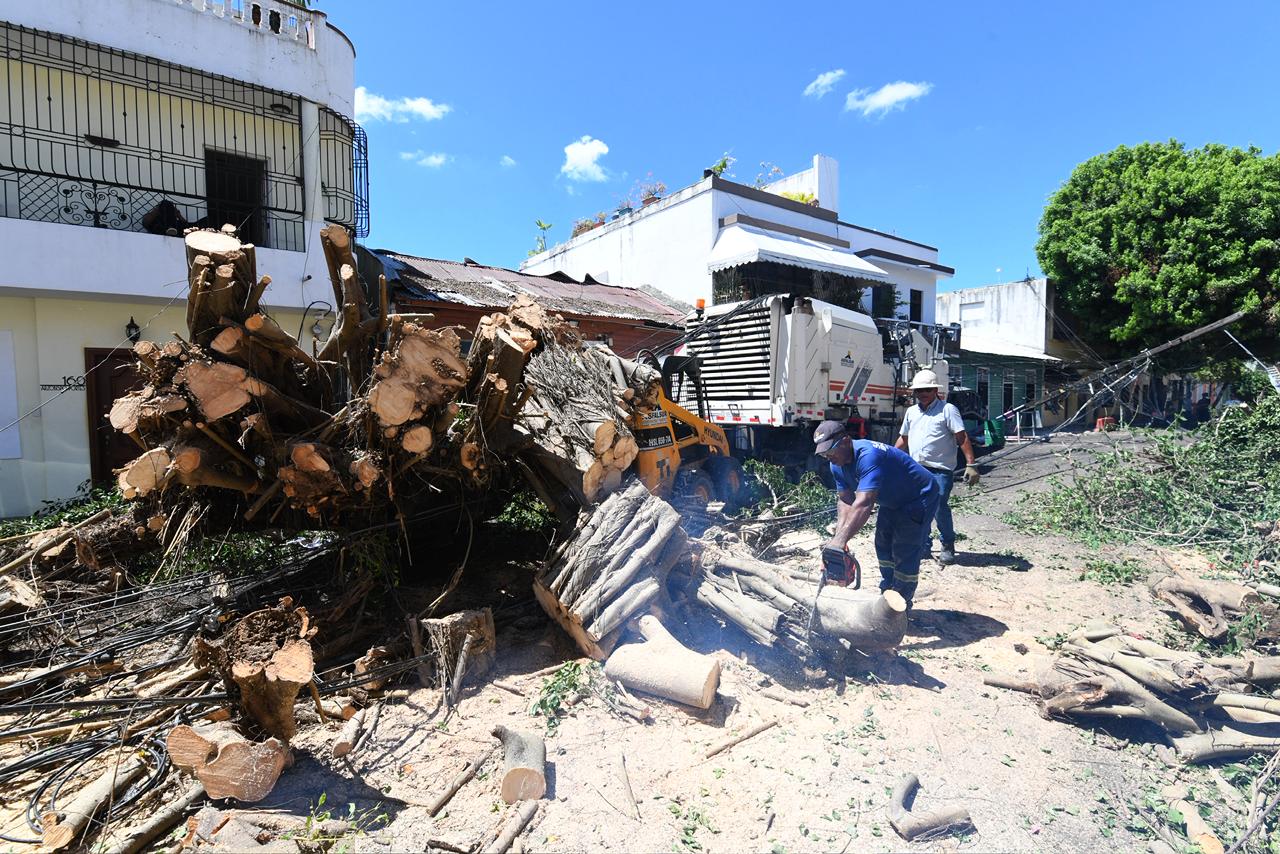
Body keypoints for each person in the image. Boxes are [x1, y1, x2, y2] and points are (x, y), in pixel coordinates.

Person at [813, 421, 940, 608]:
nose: (828, 457)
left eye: (830, 451)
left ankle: (901, 604)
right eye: (824, 454)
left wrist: (840, 542)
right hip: (891, 500)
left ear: (846, 441)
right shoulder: (836, 464)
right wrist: (839, 541)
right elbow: (846, 500)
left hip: (918, 496)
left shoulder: (869, 455)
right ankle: (887, 592)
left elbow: (864, 503)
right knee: (883, 545)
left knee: (905, 549)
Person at [895, 370, 979, 566]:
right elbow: (904, 439)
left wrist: (971, 464)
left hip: (940, 470)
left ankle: (948, 544)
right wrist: (888, 456)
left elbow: (962, 437)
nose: (922, 393)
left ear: (935, 390)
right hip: (916, 469)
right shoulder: (911, 412)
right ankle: (923, 544)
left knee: (939, 506)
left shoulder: (948, 410)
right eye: (919, 390)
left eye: (926, 389)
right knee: (917, 508)